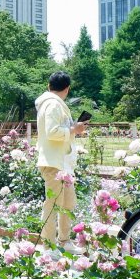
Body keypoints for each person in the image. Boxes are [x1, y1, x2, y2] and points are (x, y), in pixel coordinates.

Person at [35, 71, 88, 249]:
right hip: (54, 163)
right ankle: (49, 246)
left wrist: (74, 129)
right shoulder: (52, 105)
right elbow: (52, 132)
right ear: (67, 89)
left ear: (49, 86)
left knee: (67, 203)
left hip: (62, 163)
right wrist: (74, 129)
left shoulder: (54, 104)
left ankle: (64, 241)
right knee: (53, 205)